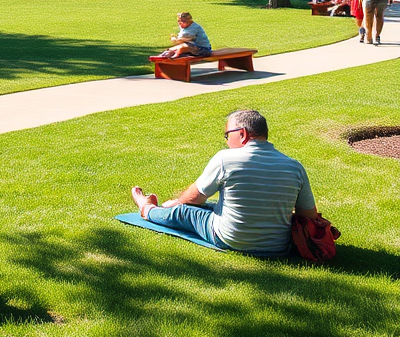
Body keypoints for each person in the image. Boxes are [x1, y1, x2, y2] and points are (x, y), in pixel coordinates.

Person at [131, 109, 319, 256]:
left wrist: (177, 203)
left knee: (184, 212)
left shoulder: (226, 159)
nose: (227, 141)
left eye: (227, 135)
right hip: (278, 246)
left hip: (231, 238)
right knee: (213, 206)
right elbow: (309, 215)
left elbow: (194, 197)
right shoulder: (295, 167)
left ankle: (147, 209)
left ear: (242, 134)